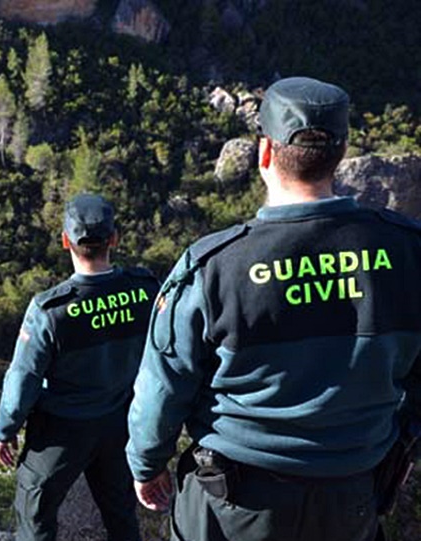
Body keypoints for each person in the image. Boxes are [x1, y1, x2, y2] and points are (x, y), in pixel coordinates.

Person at [126, 76, 421, 541]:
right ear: (341, 156)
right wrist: (405, 442)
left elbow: (163, 386)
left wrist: (146, 463)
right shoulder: (406, 251)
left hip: (236, 501)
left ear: (264, 154)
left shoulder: (214, 266)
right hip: (353, 495)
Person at [0, 193, 159, 541]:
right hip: (122, 423)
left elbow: (23, 377)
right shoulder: (144, 290)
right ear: (114, 239)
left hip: (61, 430)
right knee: (121, 515)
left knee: (35, 514)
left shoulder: (50, 310)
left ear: (65, 240)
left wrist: (5, 430)